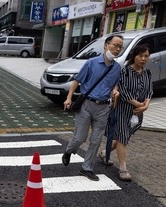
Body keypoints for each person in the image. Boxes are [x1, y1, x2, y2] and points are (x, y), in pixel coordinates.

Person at [61, 34, 123, 181]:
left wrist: (115, 91)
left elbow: (115, 84)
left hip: (103, 108)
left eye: (120, 47)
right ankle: (69, 151)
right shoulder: (91, 63)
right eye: (115, 45)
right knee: (80, 138)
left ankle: (86, 168)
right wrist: (69, 98)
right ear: (106, 45)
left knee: (96, 140)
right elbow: (77, 81)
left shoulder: (117, 68)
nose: (118, 49)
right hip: (86, 105)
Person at [100, 44, 153, 181]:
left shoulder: (147, 73)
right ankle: (123, 168)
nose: (143, 59)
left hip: (137, 112)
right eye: (140, 55)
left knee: (122, 138)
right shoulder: (125, 72)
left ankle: (105, 152)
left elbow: (149, 91)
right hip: (123, 110)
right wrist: (138, 104)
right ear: (134, 56)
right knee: (123, 138)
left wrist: (145, 105)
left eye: (146, 56)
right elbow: (123, 91)